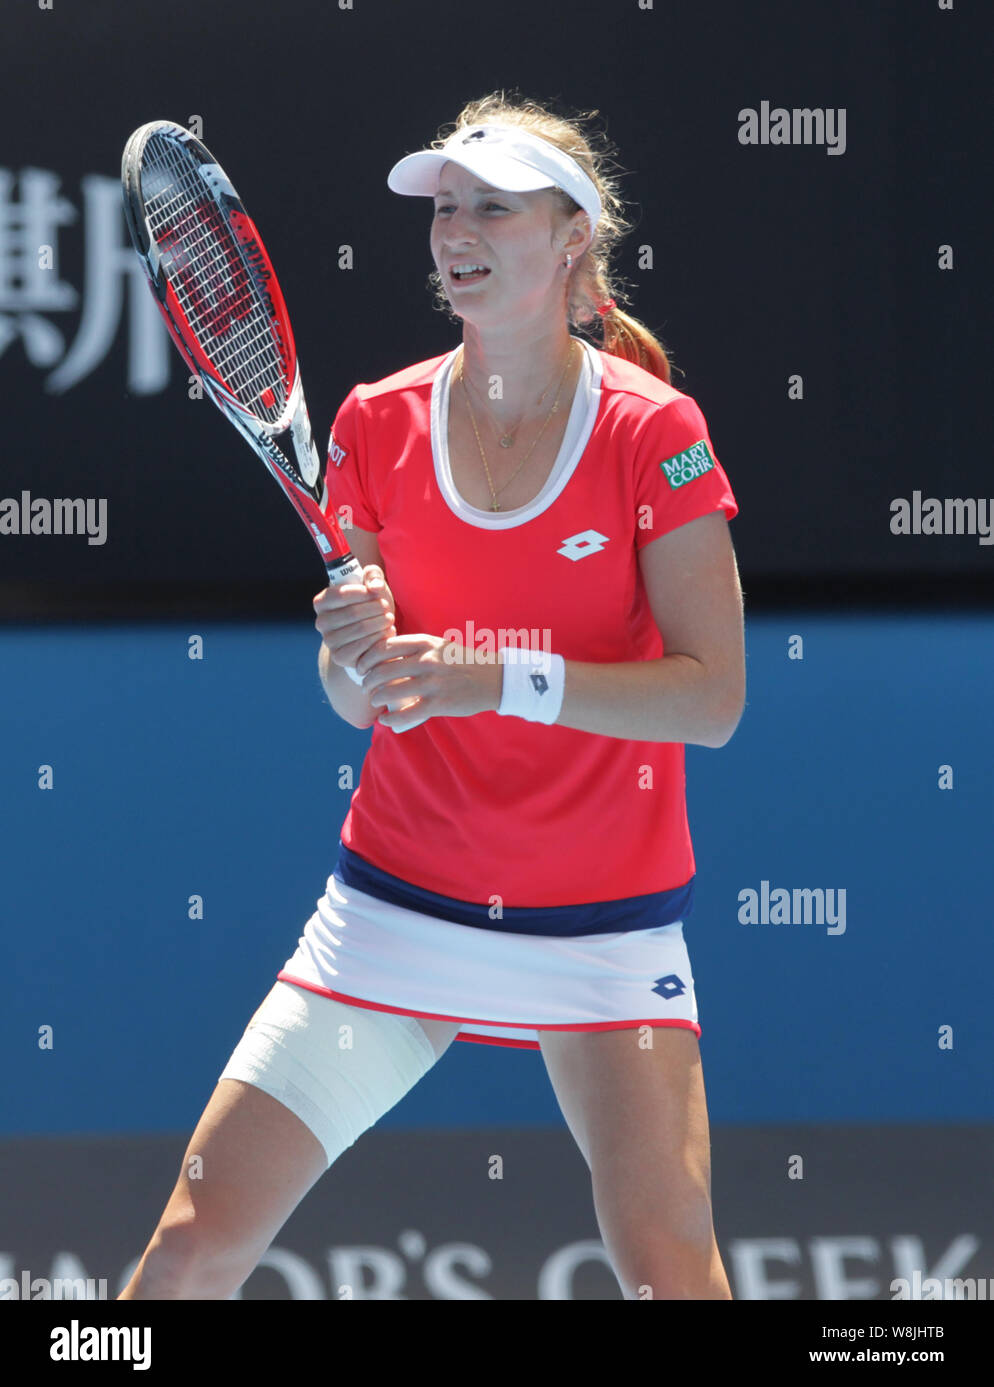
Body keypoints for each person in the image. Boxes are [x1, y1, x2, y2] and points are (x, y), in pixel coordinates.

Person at [119, 91, 745, 1302]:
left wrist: (490, 675)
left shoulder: (654, 433)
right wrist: (358, 658)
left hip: (602, 932)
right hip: (395, 912)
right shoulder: (372, 421)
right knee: (190, 1252)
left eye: (490, 209)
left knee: (671, 1273)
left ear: (571, 238)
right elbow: (359, 700)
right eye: (444, 207)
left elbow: (710, 700)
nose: (453, 230)